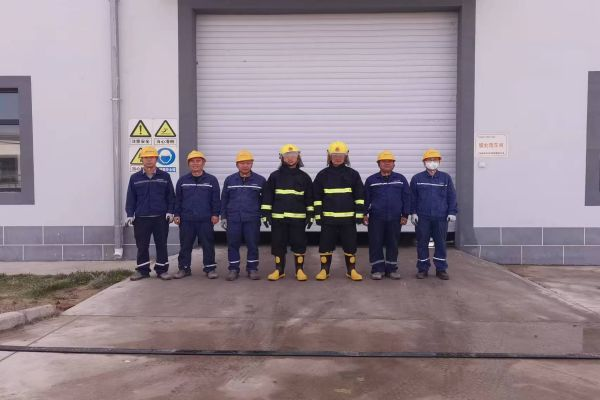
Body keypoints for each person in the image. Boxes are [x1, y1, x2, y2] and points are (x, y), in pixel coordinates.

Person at [261, 144, 314, 281]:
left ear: (298, 157)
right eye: (287, 156)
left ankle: (299, 270)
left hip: (298, 218)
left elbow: (309, 198)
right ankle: (279, 270)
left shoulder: (304, 177)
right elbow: (268, 196)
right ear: (281, 158)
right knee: (278, 244)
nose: (290, 159)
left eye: (293, 156)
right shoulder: (274, 176)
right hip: (278, 218)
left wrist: (310, 214)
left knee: (299, 243)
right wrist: (265, 214)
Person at [313, 141, 365, 281]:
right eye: (334, 155)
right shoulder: (322, 175)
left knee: (350, 245)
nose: (337, 158)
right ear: (329, 156)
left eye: (340, 155)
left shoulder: (353, 174)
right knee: (325, 245)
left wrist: (359, 214)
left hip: (348, 220)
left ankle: (351, 270)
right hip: (328, 220)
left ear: (346, 156)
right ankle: (324, 270)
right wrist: (318, 215)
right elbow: (317, 197)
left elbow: (359, 196)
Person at [125, 146, 175, 281]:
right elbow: (131, 198)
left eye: (151, 157)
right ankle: (143, 271)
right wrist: (130, 214)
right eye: (146, 157)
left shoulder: (165, 176)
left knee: (161, 245)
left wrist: (170, 211)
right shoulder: (135, 178)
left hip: (160, 218)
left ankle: (162, 270)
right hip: (141, 218)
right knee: (142, 246)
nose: (149, 160)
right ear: (141, 159)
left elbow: (171, 196)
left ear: (156, 159)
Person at [410, 149, 458, 280]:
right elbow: (412, 198)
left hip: (441, 217)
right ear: (424, 162)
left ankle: (441, 269)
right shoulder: (417, 178)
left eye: (435, 160)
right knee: (422, 243)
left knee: (441, 243)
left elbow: (451, 196)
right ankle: (422, 269)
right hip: (422, 217)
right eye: (429, 160)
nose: (432, 162)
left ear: (439, 162)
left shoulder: (445, 178)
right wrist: (413, 213)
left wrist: (452, 212)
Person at [173, 150, 220, 279]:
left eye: (198, 161)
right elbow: (178, 199)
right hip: (186, 219)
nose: (195, 163)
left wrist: (216, 214)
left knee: (208, 244)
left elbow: (216, 199)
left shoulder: (211, 180)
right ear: (188, 164)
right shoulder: (182, 180)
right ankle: (184, 268)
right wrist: (176, 214)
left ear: (203, 163)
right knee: (185, 245)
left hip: (205, 219)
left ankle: (210, 268)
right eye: (192, 161)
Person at [364, 150, 410, 280]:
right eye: (383, 161)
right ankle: (377, 269)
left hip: (395, 217)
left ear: (394, 164)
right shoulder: (371, 180)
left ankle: (392, 269)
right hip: (376, 217)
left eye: (390, 161)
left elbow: (407, 197)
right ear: (378, 164)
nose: (387, 163)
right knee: (375, 242)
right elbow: (365, 198)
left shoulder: (400, 179)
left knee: (393, 243)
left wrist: (405, 214)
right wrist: (364, 213)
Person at [221, 150, 266, 281]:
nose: (245, 165)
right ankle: (233, 269)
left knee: (252, 244)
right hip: (233, 218)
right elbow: (224, 199)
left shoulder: (260, 180)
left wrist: (263, 215)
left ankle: (252, 269)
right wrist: (223, 217)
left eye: (248, 163)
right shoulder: (230, 180)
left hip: (252, 218)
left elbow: (265, 200)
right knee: (233, 244)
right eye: (242, 163)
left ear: (252, 164)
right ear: (237, 164)